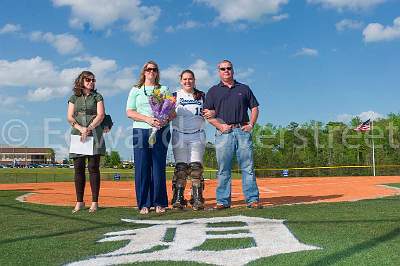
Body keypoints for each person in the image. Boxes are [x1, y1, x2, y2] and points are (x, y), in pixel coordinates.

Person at [203, 59, 261, 209]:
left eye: (228, 68)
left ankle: (252, 200)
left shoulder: (244, 88)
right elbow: (207, 115)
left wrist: (251, 125)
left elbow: (254, 108)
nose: (226, 71)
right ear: (219, 72)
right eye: (223, 69)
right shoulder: (213, 91)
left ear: (233, 70)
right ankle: (222, 201)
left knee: (248, 167)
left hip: (242, 131)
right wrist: (220, 126)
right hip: (223, 134)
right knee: (224, 168)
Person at [126, 60, 173, 215]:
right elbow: (129, 112)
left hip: (161, 131)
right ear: (144, 72)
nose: (151, 72)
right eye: (148, 69)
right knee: (142, 167)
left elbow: (172, 111)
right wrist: (147, 119)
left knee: (158, 167)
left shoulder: (164, 89)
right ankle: (144, 203)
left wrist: (164, 119)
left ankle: (159, 202)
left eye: (154, 69)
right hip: (141, 131)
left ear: (157, 72)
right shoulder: (136, 89)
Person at [67, 71, 107, 213]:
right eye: (88, 79)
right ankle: (79, 201)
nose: (91, 82)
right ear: (81, 81)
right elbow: (70, 117)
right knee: (78, 168)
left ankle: (94, 202)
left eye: (93, 80)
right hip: (78, 134)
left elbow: (101, 115)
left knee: (93, 168)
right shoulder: (73, 98)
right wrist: (81, 129)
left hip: (94, 133)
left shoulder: (97, 96)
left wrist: (89, 128)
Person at [170, 69, 209, 210]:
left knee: (196, 168)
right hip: (179, 134)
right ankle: (178, 198)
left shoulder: (202, 96)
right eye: (185, 79)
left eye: (190, 79)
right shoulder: (174, 96)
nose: (188, 81)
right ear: (180, 81)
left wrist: (211, 113)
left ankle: (197, 197)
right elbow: (166, 114)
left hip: (197, 134)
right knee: (181, 168)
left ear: (194, 80)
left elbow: (211, 112)